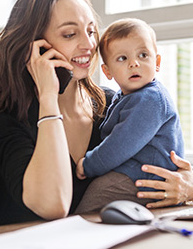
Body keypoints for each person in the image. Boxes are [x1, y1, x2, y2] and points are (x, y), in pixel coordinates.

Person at [0, 0, 193, 228]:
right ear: (35, 47)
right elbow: (53, 206)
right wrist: (48, 97)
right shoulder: (5, 115)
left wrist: (189, 185)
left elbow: (164, 160)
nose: (89, 45)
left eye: (90, 31)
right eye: (70, 34)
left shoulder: (110, 104)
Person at [74, 18, 184, 213]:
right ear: (107, 71)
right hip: (136, 175)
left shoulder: (151, 99)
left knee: (86, 211)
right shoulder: (124, 96)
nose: (134, 63)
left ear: (157, 62)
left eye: (143, 55)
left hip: (143, 178)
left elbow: (120, 144)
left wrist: (89, 165)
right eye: (122, 59)